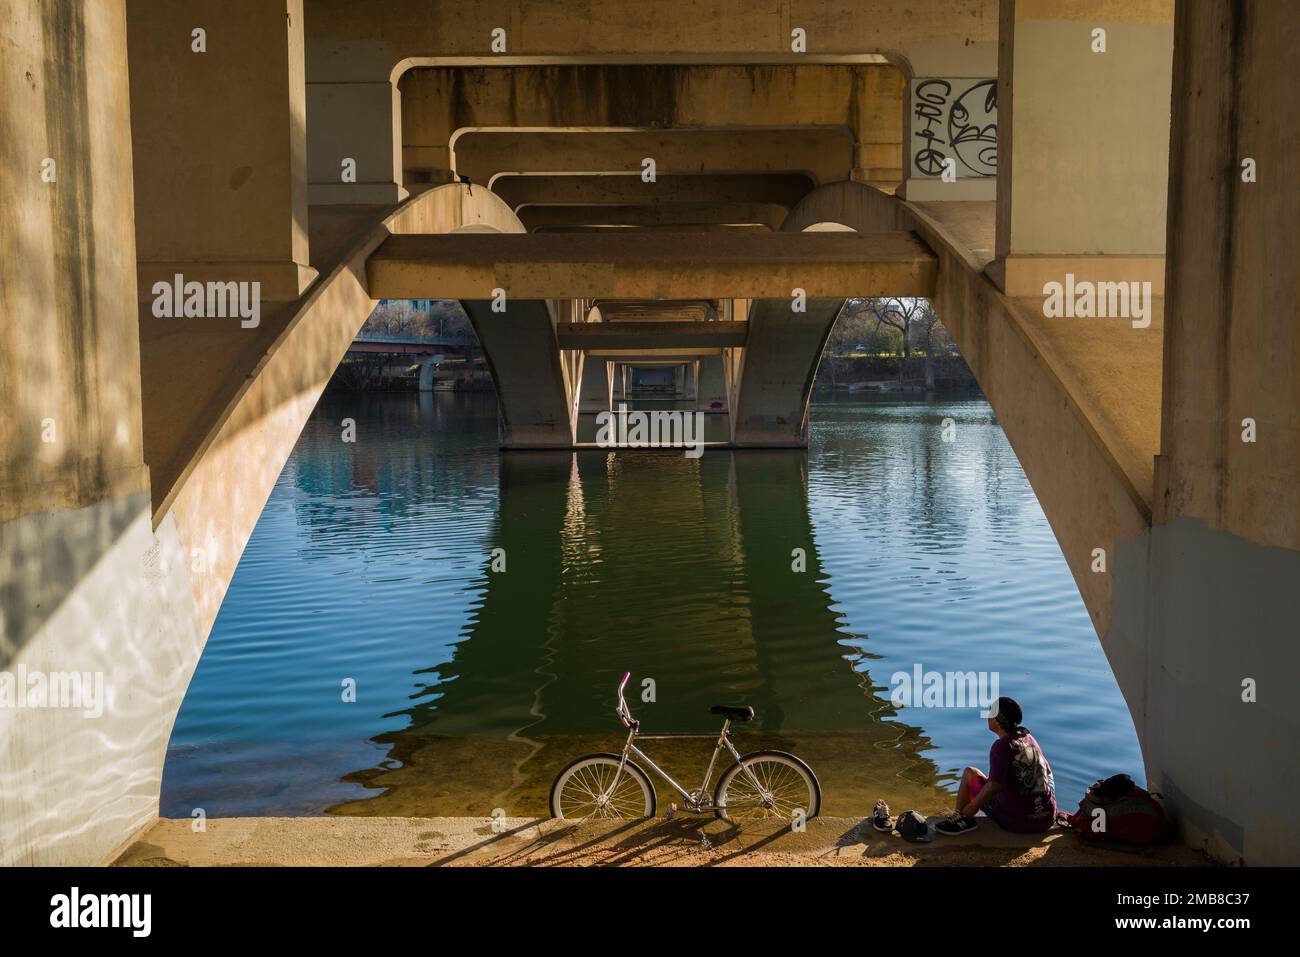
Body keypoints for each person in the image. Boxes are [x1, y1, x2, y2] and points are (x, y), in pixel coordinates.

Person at [935, 696, 1056, 835]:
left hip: (1019, 823)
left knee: (970, 773)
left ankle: (962, 819)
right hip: (1046, 819)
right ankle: (1037, 810)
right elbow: (1047, 772)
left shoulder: (1002, 747)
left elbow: (994, 786)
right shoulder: (1028, 738)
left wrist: (972, 808)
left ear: (998, 722)